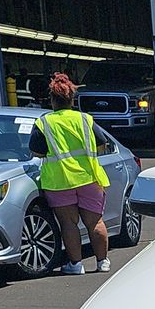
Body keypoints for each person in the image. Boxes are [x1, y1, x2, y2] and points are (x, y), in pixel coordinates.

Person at [28, 73, 110, 274]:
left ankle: (76, 265)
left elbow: (36, 151)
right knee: (95, 222)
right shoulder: (85, 119)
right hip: (89, 177)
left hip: (59, 182)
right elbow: (102, 143)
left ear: (52, 100)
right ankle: (103, 262)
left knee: (68, 223)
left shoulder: (44, 123)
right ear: (72, 99)